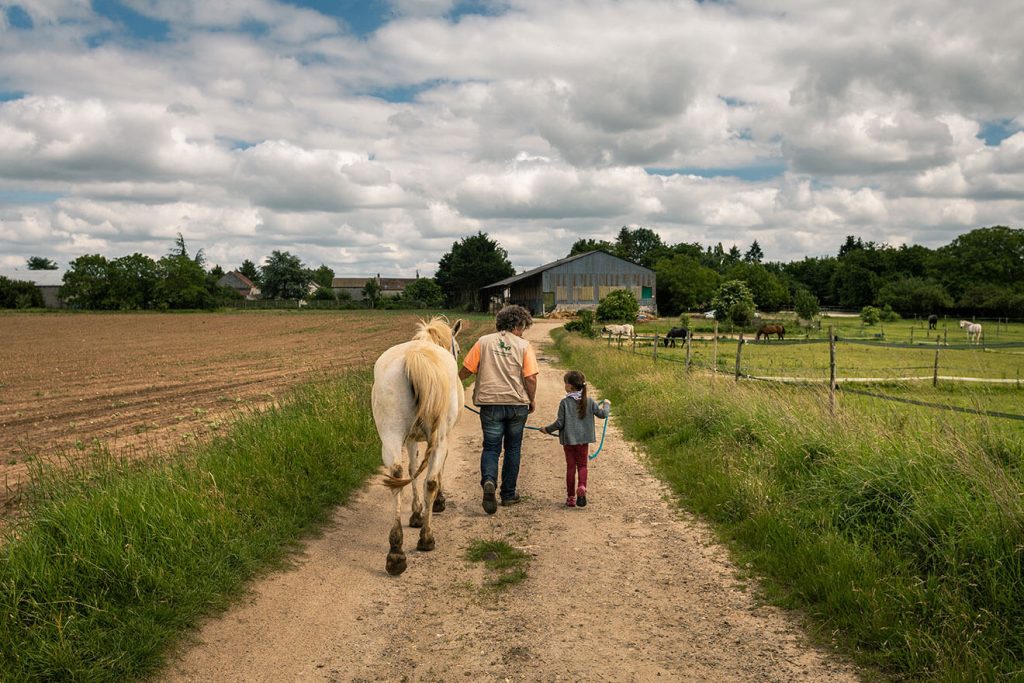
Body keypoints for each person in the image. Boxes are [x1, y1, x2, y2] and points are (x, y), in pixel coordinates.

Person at [459, 305, 539, 514]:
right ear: (516, 325)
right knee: (512, 449)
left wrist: (453, 383)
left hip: (490, 404)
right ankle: (509, 494)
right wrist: (531, 400)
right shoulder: (524, 346)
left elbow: (467, 369)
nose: (522, 332)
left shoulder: (483, 342)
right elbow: (530, 378)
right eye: (522, 327)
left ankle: (489, 482)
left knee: (491, 447)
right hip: (516, 405)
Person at [540, 370, 609, 508]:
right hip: (583, 441)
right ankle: (582, 487)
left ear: (570, 387)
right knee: (582, 465)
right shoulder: (589, 401)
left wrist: (546, 429)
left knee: (571, 467)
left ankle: (571, 497)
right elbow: (603, 414)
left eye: (565, 383)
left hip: (569, 442)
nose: (564, 385)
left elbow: (559, 423)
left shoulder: (564, 403)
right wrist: (607, 404)